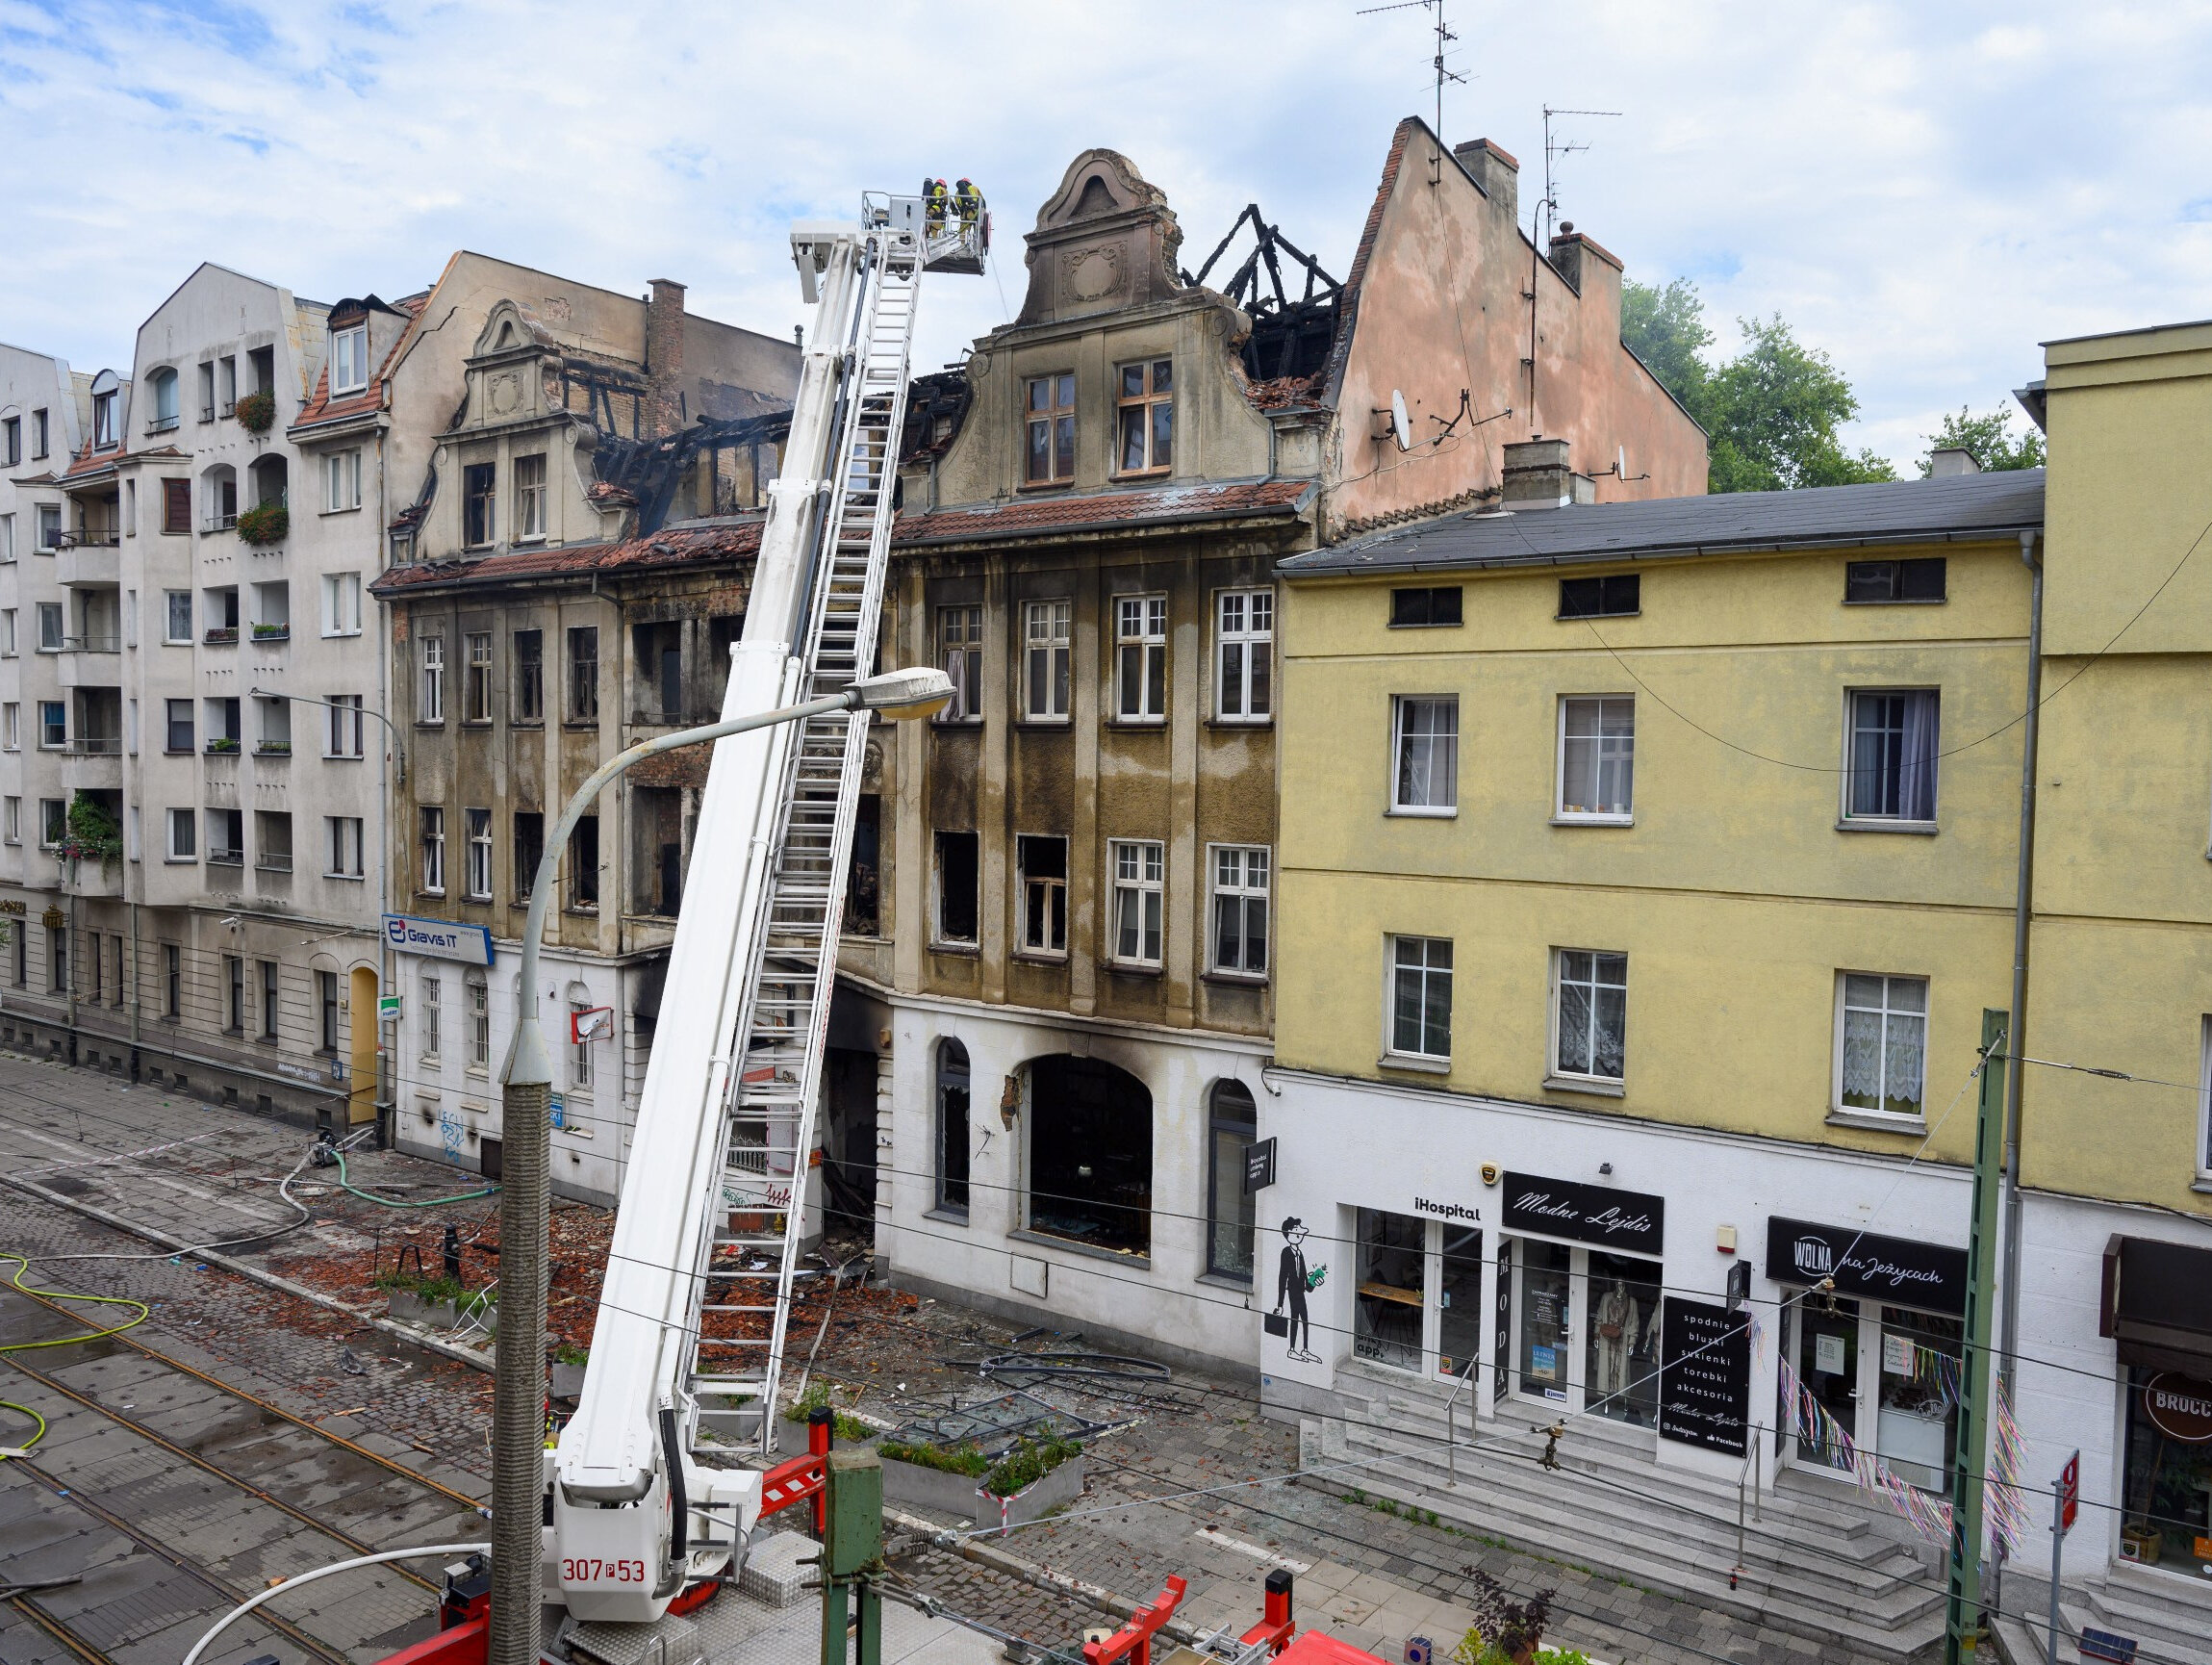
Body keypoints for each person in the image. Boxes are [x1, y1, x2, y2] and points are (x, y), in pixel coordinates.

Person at [1273, 1217, 1322, 1364]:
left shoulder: (1300, 1254)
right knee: (1295, 1319)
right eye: (1295, 1230)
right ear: (1288, 1234)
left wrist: (1314, 1283)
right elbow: (1282, 1277)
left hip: (1300, 1292)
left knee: (1305, 1320)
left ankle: (1304, 1350)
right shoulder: (1286, 1252)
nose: (1299, 1233)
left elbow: (1306, 1281)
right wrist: (1280, 1304)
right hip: (1292, 1292)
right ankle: (1292, 1350)